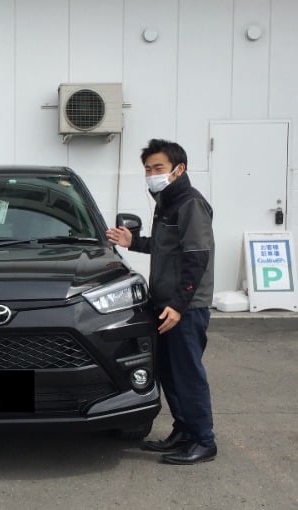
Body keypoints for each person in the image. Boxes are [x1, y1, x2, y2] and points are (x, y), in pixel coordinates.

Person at [106, 138, 216, 465]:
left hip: (185, 308)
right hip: (166, 305)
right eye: (148, 169)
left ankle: (203, 440)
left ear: (178, 169)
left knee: (188, 374)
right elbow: (166, 246)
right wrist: (133, 241)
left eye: (159, 168)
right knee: (169, 372)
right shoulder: (166, 202)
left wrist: (180, 306)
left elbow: (196, 257)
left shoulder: (190, 203)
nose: (152, 174)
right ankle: (183, 432)